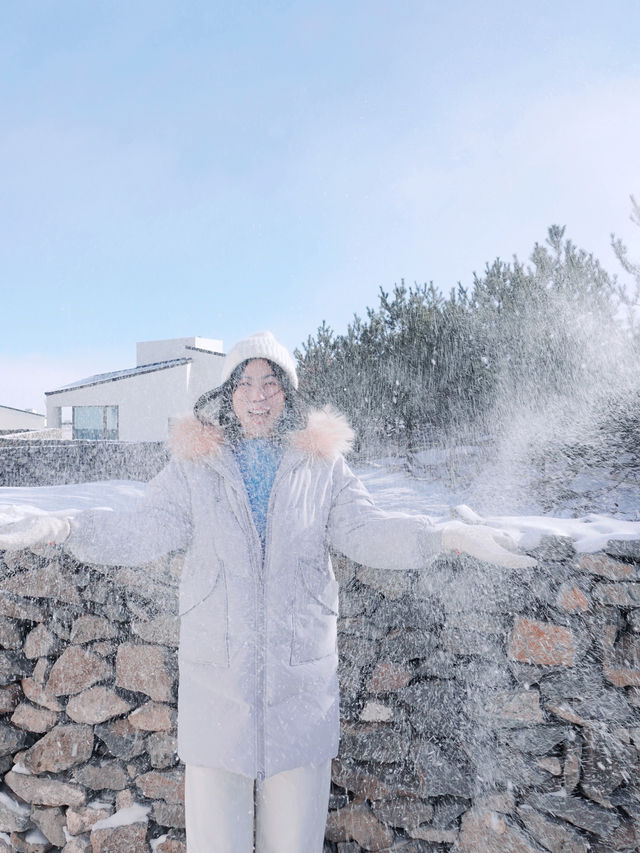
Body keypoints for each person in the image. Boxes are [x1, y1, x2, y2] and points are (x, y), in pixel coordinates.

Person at [0, 331, 535, 853]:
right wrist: (68, 528)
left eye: (271, 382)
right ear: (227, 394)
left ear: (290, 392)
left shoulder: (322, 468)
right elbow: (144, 529)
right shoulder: (195, 466)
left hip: (300, 686)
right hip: (218, 686)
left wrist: (443, 536)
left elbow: (370, 531)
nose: (258, 396)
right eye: (245, 383)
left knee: (293, 844)